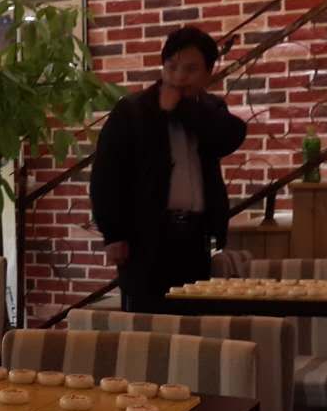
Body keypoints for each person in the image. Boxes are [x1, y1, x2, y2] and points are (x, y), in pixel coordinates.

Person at [90, 26, 247, 311]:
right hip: (146, 238)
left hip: (196, 237)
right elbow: (106, 176)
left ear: (208, 73)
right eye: (172, 67)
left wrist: (181, 110)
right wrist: (113, 234)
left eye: (190, 69)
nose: (179, 77)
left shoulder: (209, 110)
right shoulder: (133, 110)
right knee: (148, 324)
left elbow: (230, 137)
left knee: (194, 323)